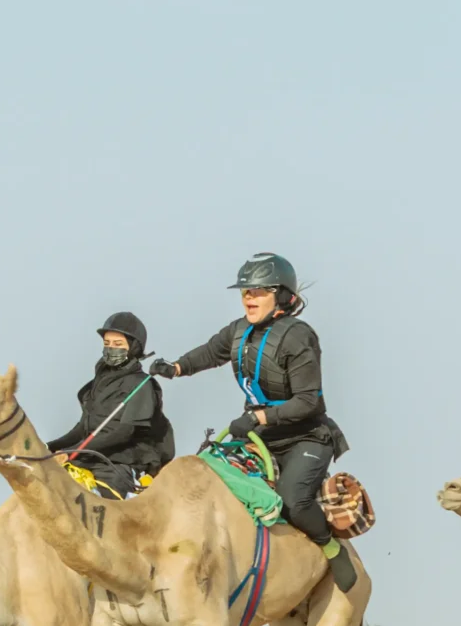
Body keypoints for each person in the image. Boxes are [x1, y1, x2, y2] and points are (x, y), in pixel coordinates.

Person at [152, 253, 356, 590]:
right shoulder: (238, 332)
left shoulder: (299, 336)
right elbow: (209, 352)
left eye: (259, 291)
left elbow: (309, 401)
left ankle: (331, 548)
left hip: (306, 437)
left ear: (283, 297)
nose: (249, 298)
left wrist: (259, 416)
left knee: (293, 501)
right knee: (204, 474)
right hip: (260, 435)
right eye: (246, 291)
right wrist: (175, 368)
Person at [46, 311, 172, 497]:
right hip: (87, 459)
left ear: (134, 348)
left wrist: (74, 451)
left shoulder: (142, 385)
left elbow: (123, 432)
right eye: (107, 344)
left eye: (118, 344)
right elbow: (84, 428)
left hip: (118, 466)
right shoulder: (100, 382)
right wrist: (50, 447)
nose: (111, 349)